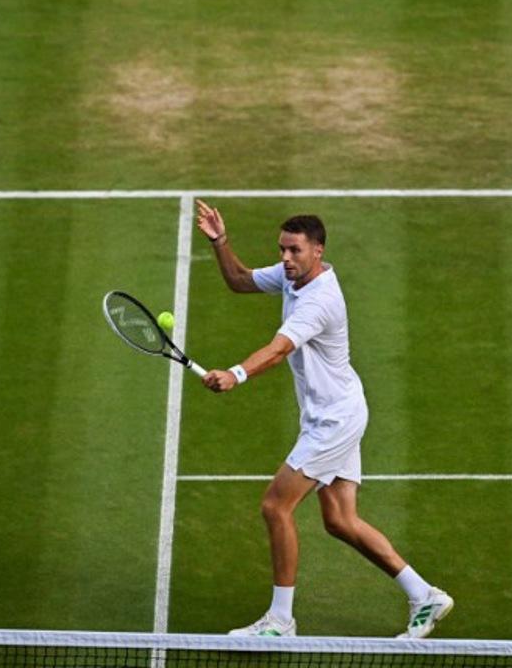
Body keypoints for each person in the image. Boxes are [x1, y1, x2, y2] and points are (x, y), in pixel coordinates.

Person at [194, 199, 453, 638]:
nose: (285, 259)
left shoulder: (319, 301)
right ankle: (425, 594)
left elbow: (278, 350)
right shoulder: (293, 278)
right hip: (338, 410)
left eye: (294, 251)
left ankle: (280, 620)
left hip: (333, 421)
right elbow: (239, 280)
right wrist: (221, 241)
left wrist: (236, 374)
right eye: (282, 250)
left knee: (276, 506)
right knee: (339, 520)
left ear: (317, 250)